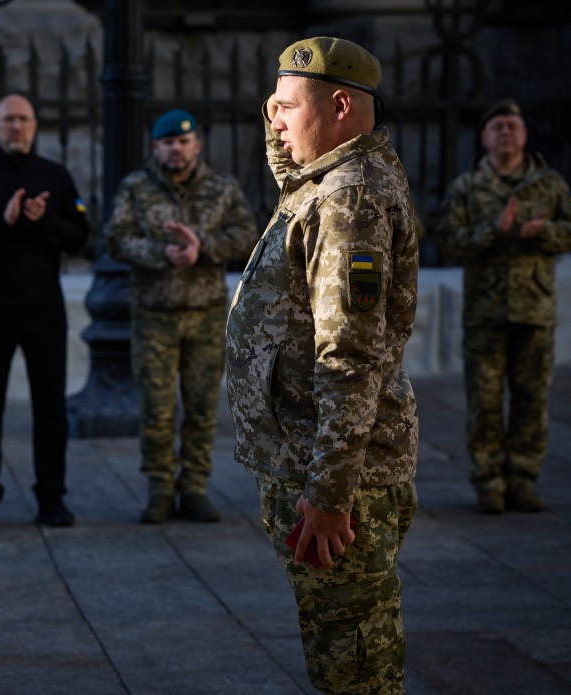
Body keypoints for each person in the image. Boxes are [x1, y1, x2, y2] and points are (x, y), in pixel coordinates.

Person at [225, 38, 420, 693]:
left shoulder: (349, 199)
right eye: (268, 108)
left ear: (340, 105)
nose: (272, 122)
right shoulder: (328, 182)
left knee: (355, 665)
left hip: (338, 479)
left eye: (284, 107)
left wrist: (332, 496)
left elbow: (352, 357)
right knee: (343, 650)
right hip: (317, 461)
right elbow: (291, 161)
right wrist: (286, 114)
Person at [0, 93, 90, 531]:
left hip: (44, 308)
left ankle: (52, 500)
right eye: (8, 120)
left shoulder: (55, 176)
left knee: (50, 411)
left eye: (23, 120)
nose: (16, 127)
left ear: (35, 125)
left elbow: (80, 237)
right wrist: (2, 222)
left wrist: (43, 220)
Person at [104, 108, 258, 524]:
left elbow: (247, 234)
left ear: (197, 145)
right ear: (156, 147)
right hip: (154, 314)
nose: (176, 148)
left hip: (205, 314)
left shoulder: (222, 188)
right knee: (156, 409)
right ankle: (159, 488)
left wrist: (201, 247)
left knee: (202, 406)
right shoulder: (136, 187)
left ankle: (194, 488)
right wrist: (161, 254)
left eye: (183, 141)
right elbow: (115, 238)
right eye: (168, 142)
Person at [437, 99, 571, 514]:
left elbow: (569, 233)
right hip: (485, 312)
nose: (506, 133)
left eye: (513, 125)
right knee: (485, 401)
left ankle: (523, 480)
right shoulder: (467, 187)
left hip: (535, 310)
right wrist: (492, 232)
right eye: (497, 127)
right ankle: (489, 482)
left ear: (525, 134)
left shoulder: (549, 185)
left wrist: (544, 232)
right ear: (484, 138)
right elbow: (448, 239)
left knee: (533, 400)